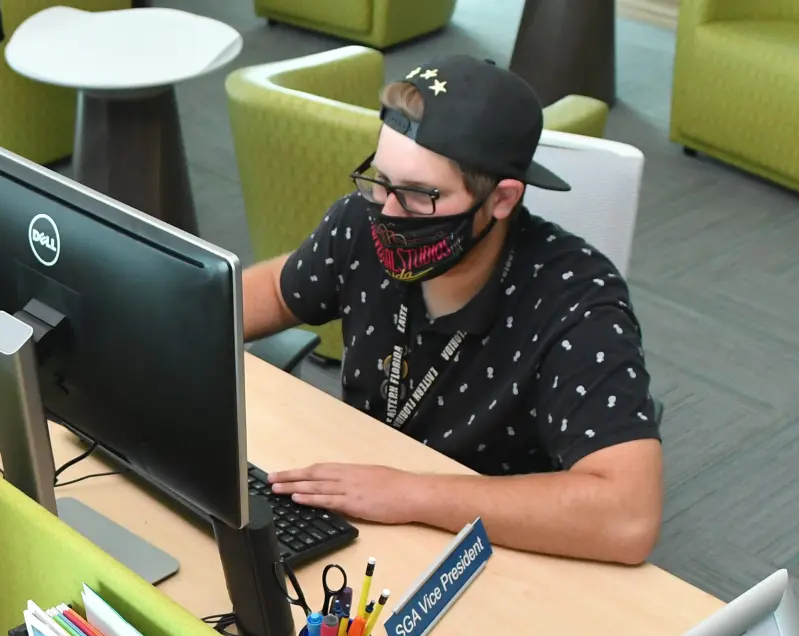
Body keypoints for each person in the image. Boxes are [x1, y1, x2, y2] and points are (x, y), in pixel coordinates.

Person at [242, 55, 662, 565]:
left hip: (492, 547)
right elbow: (276, 291)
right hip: (360, 512)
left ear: (503, 199)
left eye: (419, 196)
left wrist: (413, 495)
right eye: (380, 180)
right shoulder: (362, 223)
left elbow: (627, 515)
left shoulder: (576, 300)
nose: (388, 213)